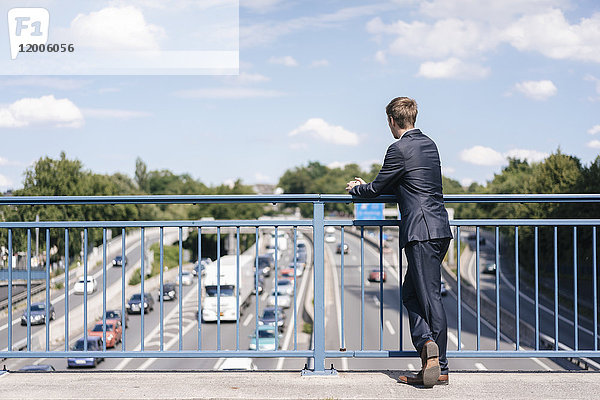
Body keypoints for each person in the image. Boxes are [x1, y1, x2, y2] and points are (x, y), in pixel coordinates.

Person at [346, 97, 452, 387]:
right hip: (440, 228)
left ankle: (438, 364)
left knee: (428, 298)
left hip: (420, 232)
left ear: (392, 121)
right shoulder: (430, 144)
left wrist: (357, 188)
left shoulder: (398, 148)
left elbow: (379, 187)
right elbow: (407, 181)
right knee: (411, 294)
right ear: (413, 117)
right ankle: (429, 352)